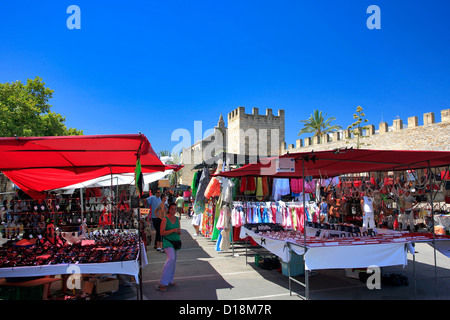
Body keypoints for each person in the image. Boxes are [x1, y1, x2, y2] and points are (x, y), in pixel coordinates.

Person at [156, 203, 181, 291]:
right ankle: (162, 283)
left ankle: (169, 280)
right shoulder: (165, 219)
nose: (174, 211)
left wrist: (178, 232)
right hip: (168, 242)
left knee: (173, 262)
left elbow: (179, 231)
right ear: (169, 210)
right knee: (171, 259)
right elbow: (162, 232)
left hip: (176, 242)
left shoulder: (177, 219)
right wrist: (173, 230)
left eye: (175, 209)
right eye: (172, 209)